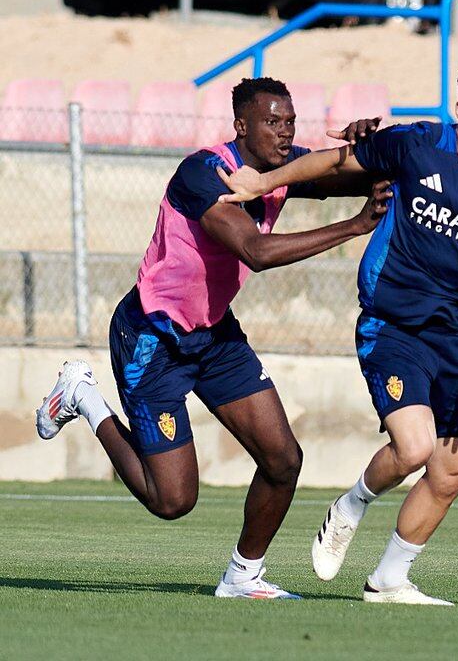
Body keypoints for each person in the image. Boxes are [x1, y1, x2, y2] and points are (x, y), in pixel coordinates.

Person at [36, 77, 388, 600]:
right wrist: (354, 227)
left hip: (214, 335)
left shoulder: (281, 171)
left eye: (290, 121)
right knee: (172, 500)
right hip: (153, 337)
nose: (284, 132)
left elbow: (357, 173)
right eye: (272, 122)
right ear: (242, 126)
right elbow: (256, 253)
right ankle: (83, 397)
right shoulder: (203, 173)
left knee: (283, 460)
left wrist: (369, 149)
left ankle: (242, 578)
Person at [217, 61, 458, 605]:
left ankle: (389, 579)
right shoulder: (416, 145)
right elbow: (338, 159)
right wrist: (265, 180)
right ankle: (351, 505)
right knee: (415, 446)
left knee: (452, 472)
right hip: (391, 325)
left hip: (456, 336)